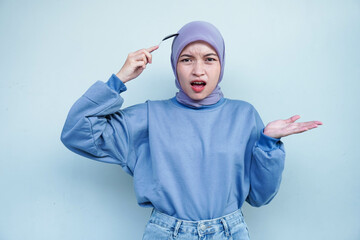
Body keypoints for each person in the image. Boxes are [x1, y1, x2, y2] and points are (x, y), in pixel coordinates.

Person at [61, 21, 322, 240]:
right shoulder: (149, 117)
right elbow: (77, 132)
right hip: (165, 232)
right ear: (175, 65)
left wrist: (268, 144)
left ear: (221, 65)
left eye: (209, 59)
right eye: (187, 59)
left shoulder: (244, 115)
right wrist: (119, 79)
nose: (198, 70)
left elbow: (260, 197)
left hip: (229, 232)